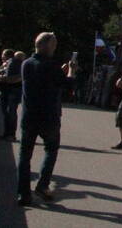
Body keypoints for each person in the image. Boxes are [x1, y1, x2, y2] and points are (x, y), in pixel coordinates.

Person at [17, 32, 76, 205]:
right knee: (51, 149)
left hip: (29, 116)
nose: (55, 48)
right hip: (48, 116)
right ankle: (42, 185)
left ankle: (23, 194)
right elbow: (68, 85)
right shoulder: (51, 65)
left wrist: (59, 73)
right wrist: (71, 70)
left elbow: (44, 80)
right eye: (54, 44)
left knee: (24, 156)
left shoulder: (26, 64)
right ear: (46, 46)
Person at [0, 49, 24, 140]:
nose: (1, 57)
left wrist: (3, 78)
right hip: (6, 90)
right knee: (7, 112)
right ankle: (7, 134)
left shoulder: (14, 63)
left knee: (10, 112)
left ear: (7, 56)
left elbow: (16, 77)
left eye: (3, 55)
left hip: (12, 90)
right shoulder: (7, 63)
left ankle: (10, 134)